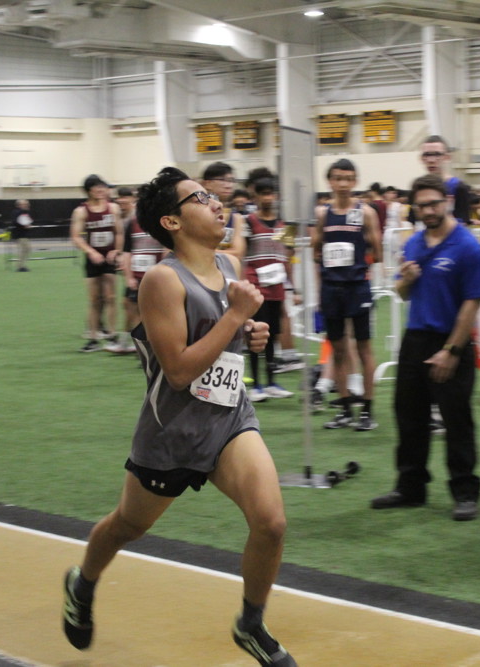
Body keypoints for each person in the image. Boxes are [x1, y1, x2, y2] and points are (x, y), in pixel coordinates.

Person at [61, 167, 296, 667]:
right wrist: (236, 317)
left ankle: (251, 623)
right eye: (201, 198)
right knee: (127, 526)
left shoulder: (230, 264)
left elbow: (233, 336)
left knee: (271, 522)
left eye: (212, 194)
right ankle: (83, 583)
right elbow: (179, 371)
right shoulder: (162, 281)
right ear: (171, 220)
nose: (216, 202)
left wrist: (252, 333)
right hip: (174, 433)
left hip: (230, 419)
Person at [370, 174, 480, 521]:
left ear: (447, 202)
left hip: (452, 340)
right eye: (422, 206)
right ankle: (410, 488)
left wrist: (451, 350)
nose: (429, 210)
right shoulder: (414, 244)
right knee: (409, 417)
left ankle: (465, 492)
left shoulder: (467, 246)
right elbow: (402, 292)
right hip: (415, 339)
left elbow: (472, 302)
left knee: (457, 420)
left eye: (434, 203)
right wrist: (405, 280)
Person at [312, 158, 383, 431]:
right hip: (331, 289)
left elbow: (377, 252)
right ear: (329, 181)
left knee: (364, 348)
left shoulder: (366, 213)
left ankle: (367, 410)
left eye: (348, 178)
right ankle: (344, 409)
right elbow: (316, 251)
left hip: (357, 288)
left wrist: (359, 263)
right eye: (337, 178)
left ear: (355, 181)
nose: (342, 184)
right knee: (338, 349)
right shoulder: (322, 214)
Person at [243, 176, 295, 402]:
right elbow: (242, 254)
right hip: (256, 286)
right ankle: (256, 385)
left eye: (271, 193)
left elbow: (288, 256)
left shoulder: (284, 225)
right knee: (256, 334)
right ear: (255, 196)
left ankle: (272, 382)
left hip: (277, 287)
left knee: (273, 334)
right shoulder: (249, 222)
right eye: (263, 194)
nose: (267, 198)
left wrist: (293, 287)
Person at [71, 174, 124, 352]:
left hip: (109, 258)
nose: (101, 190)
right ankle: (93, 338)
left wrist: (116, 251)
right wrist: (91, 252)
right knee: (94, 299)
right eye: (97, 187)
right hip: (93, 259)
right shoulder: (81, 211)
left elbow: (119, 232)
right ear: (88, 191)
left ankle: (112, 335)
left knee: (111, 297)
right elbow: (76, 237)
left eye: (103, 187)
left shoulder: (113, 208)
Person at [112, 186, 166, 354]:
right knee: (130, 307)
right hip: (136, 276)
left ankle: (152, 347)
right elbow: (127, 252)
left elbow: (167, 250)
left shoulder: (163, 222)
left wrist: (163, 274)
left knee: (153, 313)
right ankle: (137, 345)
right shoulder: (133, 223)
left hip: (156, 277)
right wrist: (128, 277)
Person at [414, 135, 470, 224]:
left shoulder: (458, 187)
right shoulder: (418, 188)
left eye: (437, 154)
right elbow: (414, 222)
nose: (431, 160)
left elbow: (463, 222)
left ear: (447, 157)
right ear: (421, 158)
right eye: (426, 155)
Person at [202, 162, 246, 264]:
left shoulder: (236, 218)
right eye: (223, 180)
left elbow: (238, 253)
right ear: (207, 183)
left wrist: (204, 252)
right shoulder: (197, 213)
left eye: (231, 181)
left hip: (226, 271)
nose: (229, 186)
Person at [10, 199, 33, 272]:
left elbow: (27, 220)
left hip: (25, 234)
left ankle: (21, 265)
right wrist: (24, 225)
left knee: (26, 249)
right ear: (19, 205)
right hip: (20, 234)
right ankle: (20, 266)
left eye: (27, 204)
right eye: (24, 204)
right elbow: (15, 222)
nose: (26, 205)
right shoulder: (16, 212)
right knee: (24, 249)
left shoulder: (26, 212)